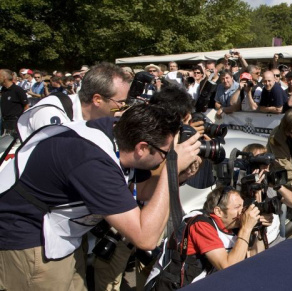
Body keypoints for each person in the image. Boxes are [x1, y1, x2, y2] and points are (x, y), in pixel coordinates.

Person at [0, 104, 202, 290]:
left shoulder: (118, 135)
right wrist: (171, 170)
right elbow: (146, 238)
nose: (164, 160)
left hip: (63, 235)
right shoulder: (93, 160)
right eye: (166, 153)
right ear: (141, 148)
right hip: (31, 241)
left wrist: (179, 176)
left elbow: (139, 190)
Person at [0, 69, 29, 135]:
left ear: (5, 77)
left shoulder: (17, 90)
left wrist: (23, 121)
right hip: (5, 122)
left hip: (15, 122)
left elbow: (26, 106)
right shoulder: (3, 90)